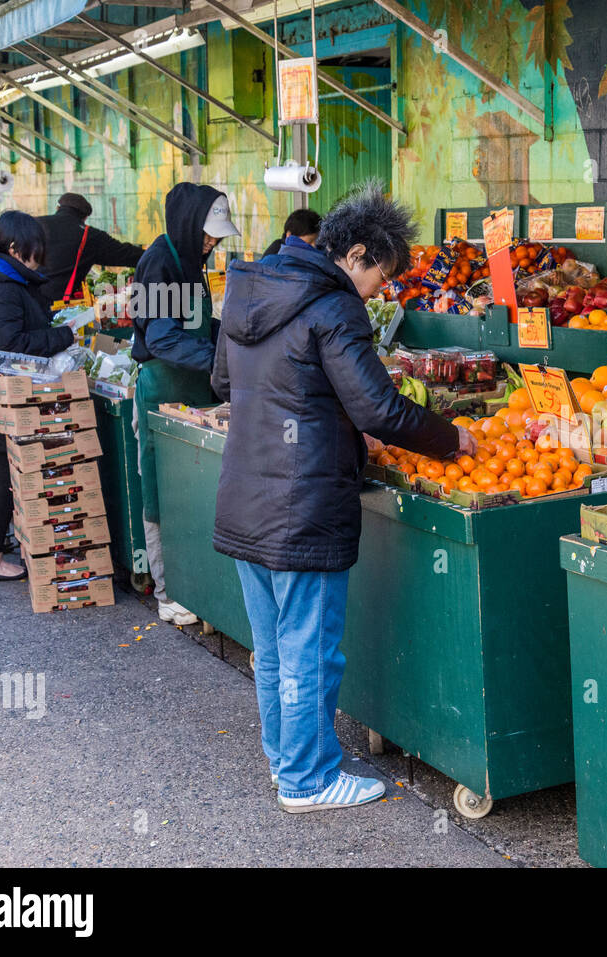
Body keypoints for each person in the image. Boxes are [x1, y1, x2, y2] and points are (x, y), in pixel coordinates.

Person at [212, 182, 474, 812]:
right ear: (355, 254)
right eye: (381, 275)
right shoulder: (333, 307)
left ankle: (287, 763)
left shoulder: (250, 288)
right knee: (310, 649)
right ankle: (309, 780)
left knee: (275, 647)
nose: (382, 291)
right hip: (302, 506)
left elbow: (222, 380)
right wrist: (451, 438)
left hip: (247, 495)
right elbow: (377, 407)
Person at [131, 183, 238, 625]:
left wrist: (233, 337)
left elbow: (194, 323)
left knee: (196, 495)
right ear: (188, 224)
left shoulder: (190, 261)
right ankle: (168, 588)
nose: (212, 243)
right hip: (164, 391)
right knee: (163, 493)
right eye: (208, 235)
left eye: (217, 237)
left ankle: (199, 586)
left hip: (196, 392)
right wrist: (220, 360)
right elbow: (162, 337)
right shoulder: (159, 263)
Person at [0, 211, 74, 581]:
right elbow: (7, 344)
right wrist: (62, 336)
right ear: (14, 248)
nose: (37, 259)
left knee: (8, 476)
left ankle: (3, 552)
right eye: (33, 251)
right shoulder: (1, 287)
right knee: (5, 479)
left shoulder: (4, 278)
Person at [35, 192, 144, 311]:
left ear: (58, 208)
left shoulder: (34, 224)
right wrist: (157, 253)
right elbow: (126, 254)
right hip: (54, 307)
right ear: (85, 217)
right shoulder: (89, 236)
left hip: (22, 298)